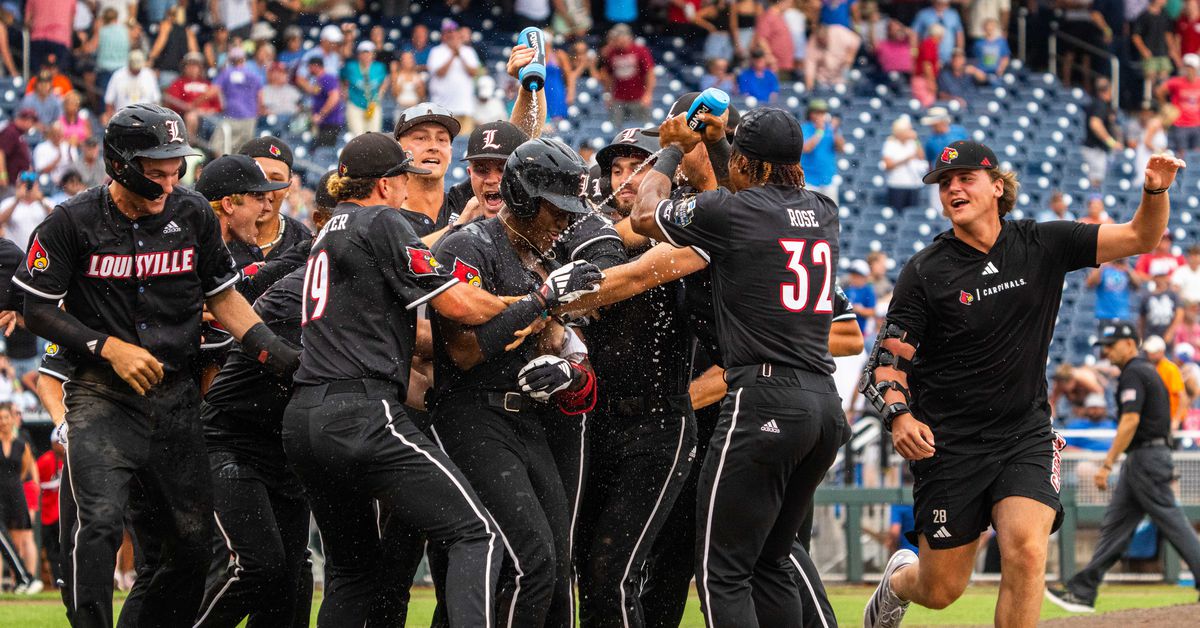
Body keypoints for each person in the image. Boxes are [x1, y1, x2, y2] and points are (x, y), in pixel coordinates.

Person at [860, 141, 1185, 628]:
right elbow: (886, 363)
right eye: (944, 183)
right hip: (950, 445)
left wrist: (1154, 191)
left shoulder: (1042, 243)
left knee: (1027, 551)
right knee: (941, 589)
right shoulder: (925, 271)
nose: (952, 188)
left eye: (965, 178)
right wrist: (899, 415)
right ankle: (899, 581)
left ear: (997, 187)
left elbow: (1141, 237)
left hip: (1023, 435)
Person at [281, 132, 598, 625]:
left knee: (352, 572)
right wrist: (540, 302)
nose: (410, 186)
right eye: (404, 176)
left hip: (305, 413)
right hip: (366, 410)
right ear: (386, 184)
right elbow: (456, 308)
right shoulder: (384, 219)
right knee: (478, 534)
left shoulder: (328, 231)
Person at [13, 103, 298, 626]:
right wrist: (106, 347)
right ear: (120, 163)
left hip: (176, 397)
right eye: (156, 170)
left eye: (176, 168)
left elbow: (226, 299)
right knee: (97, 525)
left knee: (190, 548)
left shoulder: (191, 215)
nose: (169, 181)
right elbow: (34, 308)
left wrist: (280, 358)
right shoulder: (69, 222)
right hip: (101, 393)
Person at [628, 106, 844, 625]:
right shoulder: (823, 209)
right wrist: (725, 145)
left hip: (763, 400)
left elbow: (642, 214)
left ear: (747, 163)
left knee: (722, 573)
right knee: (771, 561)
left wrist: (673, 148)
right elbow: (752, 196)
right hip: (824, 407)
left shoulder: (730, 211)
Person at [429, 138, 602, 625]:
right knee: (530, 560)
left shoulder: (546, 257)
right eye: (557, 209)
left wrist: (567, 371)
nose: (566, 221)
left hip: (527, 422)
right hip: (472, 414)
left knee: (555, 562)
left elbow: (566, 347)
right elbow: (463, 351)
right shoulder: (470, 244)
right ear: (524, 196)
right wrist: (543, 300)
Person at [190, 155, 311, 628]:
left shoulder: (277, 252)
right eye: (258, 198)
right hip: (215, 430)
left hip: (276, 439)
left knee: (288, 572)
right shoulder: (191, 255)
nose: (266, 208)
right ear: (227, 204)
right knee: (252, 567)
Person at [1046, 322, 1200, 612]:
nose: (1107, 351)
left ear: (1130, 344)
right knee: (1117, 526)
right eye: (1104, 346)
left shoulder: (1134, 372)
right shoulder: (1139, 372)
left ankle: (1083, 589)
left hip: (1147, 458)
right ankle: (1082, 590)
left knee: (1173, 522)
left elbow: (1130, 421)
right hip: (1142, 458)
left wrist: (1106, 464)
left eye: (1112, 344)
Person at [236, 136, 313, 262]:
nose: (265, 191)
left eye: (276, 180)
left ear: (289, 187)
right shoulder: (214, 232)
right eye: (257, 177)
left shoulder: (304, 242)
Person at [0, 402, 39, 593]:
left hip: (15, 492)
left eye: (6, 417)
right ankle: (5, 583)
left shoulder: (22, 443)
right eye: (0, 418)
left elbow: (26, 469)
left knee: (18, 539)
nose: (3, 422)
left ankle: (20, 582)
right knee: (2, 538)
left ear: (12, 419)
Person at [426, 21, 482, 135]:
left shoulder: (468, 51)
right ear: (443, 35)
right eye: (447, 33)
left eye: (453, 32)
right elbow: (440, 73)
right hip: (442, 108)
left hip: (465, 107)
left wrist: (459, 54)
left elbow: (473, 72)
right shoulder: (436, 51)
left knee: (465, 144)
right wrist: (452, 55)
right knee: (443, 140)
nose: (450, 35)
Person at [599, 23, 656, 127]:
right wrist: (607, 94)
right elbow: (608, 76)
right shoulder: (611, 52)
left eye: (617, 38)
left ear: (627, 37)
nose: (615, 41)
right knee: (615, 129)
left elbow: (650, 73)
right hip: (618, 98)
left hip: (638, 97)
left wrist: (648, 94)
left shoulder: (640, 50)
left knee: (643, 128)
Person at [213, 46, 263, 156]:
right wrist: (259, 112)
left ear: (230, 60)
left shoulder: (227, 73)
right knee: (243, 151)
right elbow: (260, 96)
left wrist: (194, 104)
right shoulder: (253, 75)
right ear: (243, 59)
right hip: (250, 117)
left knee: (220, 146)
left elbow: (214, 90)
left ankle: (222, 170)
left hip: (231, 115)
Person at [800, 99, 844, 202]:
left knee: (830, 214)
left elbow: (841, 148)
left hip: (828, 178)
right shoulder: (805, 128)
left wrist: (835, 130)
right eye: (817, 112)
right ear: (811, 114)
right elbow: (806, 148)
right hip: (809, 180)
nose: (820, 115)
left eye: (823, 112)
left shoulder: (831, 129)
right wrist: (819, 131)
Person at [342, 41, 388, 135]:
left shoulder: (379, 67)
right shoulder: (351, 66)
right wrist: (344, 91)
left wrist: (380, 94)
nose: (366, 56)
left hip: (373, 104)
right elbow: (342, 78)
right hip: (355, 104)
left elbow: (385, 80)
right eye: (363, 53)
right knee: (357, 135)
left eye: (368, 53)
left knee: (374, 136)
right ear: (359, 55)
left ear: (373, 54)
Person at [1083, 77, 1122, 189]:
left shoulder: (1096, 103)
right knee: (1096, 181)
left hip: (1095, 149)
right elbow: (1095, 124)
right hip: (1095, 150)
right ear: (1108, 90)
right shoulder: (1100, 104)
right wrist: (1111, 142)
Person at [882, 116, 926, 211]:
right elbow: (888, 165)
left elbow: (921, 156)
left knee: (913, 213)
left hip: (913, 184)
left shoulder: (913, 143)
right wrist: (906, 159)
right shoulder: (890, 144)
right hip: (897, 184)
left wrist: (916, 140)